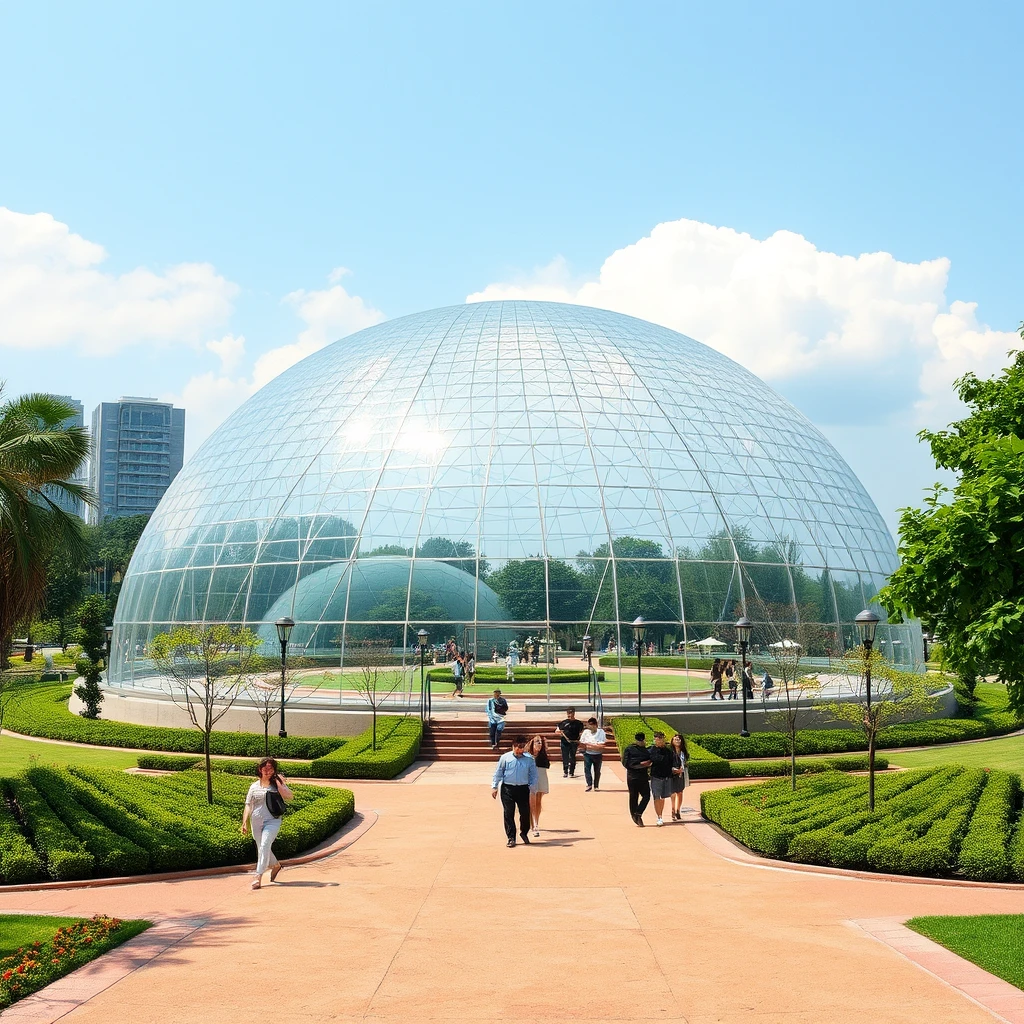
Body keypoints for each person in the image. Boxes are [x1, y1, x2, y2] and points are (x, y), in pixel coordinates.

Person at [240, 757, 293, 889]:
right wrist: (244, 822)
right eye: (265, 767)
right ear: (260, 769)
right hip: (256, 821)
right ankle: (275, 865)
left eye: (271, 768)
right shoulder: (253, 786)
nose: (268, 770)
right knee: (262, 848)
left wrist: (279, 783)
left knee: (264, 845)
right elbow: (248, 805)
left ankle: (258, 876)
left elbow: (289, 796)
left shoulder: (276, 784)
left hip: (272, 821)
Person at [491, 735, 538, 847]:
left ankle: (524, 832)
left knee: (525, 813)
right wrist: (494, 786)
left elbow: (533, 775)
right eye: (518, 747)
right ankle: (511, 837)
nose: (520, 750)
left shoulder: (529, 760)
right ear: (514, 746)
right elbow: (499, 772)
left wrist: (533, 790)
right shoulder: (505, 758)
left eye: (522, 747)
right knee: (508, 813)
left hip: (523, 788)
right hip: (508, 788)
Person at [621, 732, 652, 826]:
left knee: (646, 796)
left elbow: (651, 760)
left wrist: (647, 764)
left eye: (642, 740)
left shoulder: (646, 750)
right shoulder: (629, 749)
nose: (641, 742)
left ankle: (638, 813)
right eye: (639, 740)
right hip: (632, 776)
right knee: (633, 796)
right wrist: (641, 764)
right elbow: (626, 763)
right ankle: (634, 815)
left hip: (643, 776)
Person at [648, 731, 674, 826]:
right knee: (656, 796)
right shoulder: (651, 750)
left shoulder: (668, 751)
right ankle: (659, 816)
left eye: (660, 738)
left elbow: (671, 762)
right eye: (656, 738)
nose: (658, 740)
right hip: (655, 776)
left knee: (663, 797)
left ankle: (661, 814)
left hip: (666, 777)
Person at [527, 735, 550, 836]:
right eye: (537, 742)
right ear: (532, 743)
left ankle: (536, 823)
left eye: (540, 742)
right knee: (531, 803)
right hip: (530, 780)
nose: (539, 744)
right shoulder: (527, 756)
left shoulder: (543, 755)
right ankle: (532, 825)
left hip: (541, 778)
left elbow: (546, 766)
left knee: (538, 802)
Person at [554, 707, 583, 778]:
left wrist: (579, 740)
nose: (569, 715)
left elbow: (581, 732)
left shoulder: (579, 723)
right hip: (565, 742)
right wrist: (559, 732)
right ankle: (565, 771)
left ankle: (572, 771)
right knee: (565, 757)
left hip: (574, 742)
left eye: (571, 713)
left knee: (572, 757)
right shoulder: (563, 723)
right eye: (568, 713)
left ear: (574, 713)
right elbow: (556, 731)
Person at [579, 716, 606, 791]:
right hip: (588, 754)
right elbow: (582, 744)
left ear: (595, 725)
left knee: (597, 770)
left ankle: (596, 785)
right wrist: (594, 746)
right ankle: (589, 784)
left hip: (598, 754)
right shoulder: (586, 732)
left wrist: (590, 745)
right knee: (587, 769)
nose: (589, 727)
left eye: (591, 726)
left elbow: (602, 746)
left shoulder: (601, 732)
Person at [669, 733, 689, 821]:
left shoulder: (683, 752)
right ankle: (673, 810)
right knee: (672, 793)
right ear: (672, 741)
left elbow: (685, 762)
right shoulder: (670, 752)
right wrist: (674, 770)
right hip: (672, 774)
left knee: (680, 792)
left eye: (679, 739)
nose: (677, 741)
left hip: (681, 774)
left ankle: (678, 810)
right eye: (675, 739)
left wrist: (682, 768)